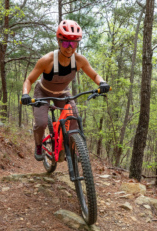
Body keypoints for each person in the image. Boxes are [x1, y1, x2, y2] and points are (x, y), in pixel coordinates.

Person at [21, 20, 110, 161]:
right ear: (58, 42)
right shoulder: (47, 60)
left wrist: (102, 83)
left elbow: (94, 75)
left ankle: (75, 147)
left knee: (73, 120)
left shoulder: (79, 60)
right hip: (42, 92)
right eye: (65, 43)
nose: (69, 48)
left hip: (63, 92)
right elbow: (29, 80)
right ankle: (39, 145)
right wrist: (25, 94)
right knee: (41, 123)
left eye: (73, 44)